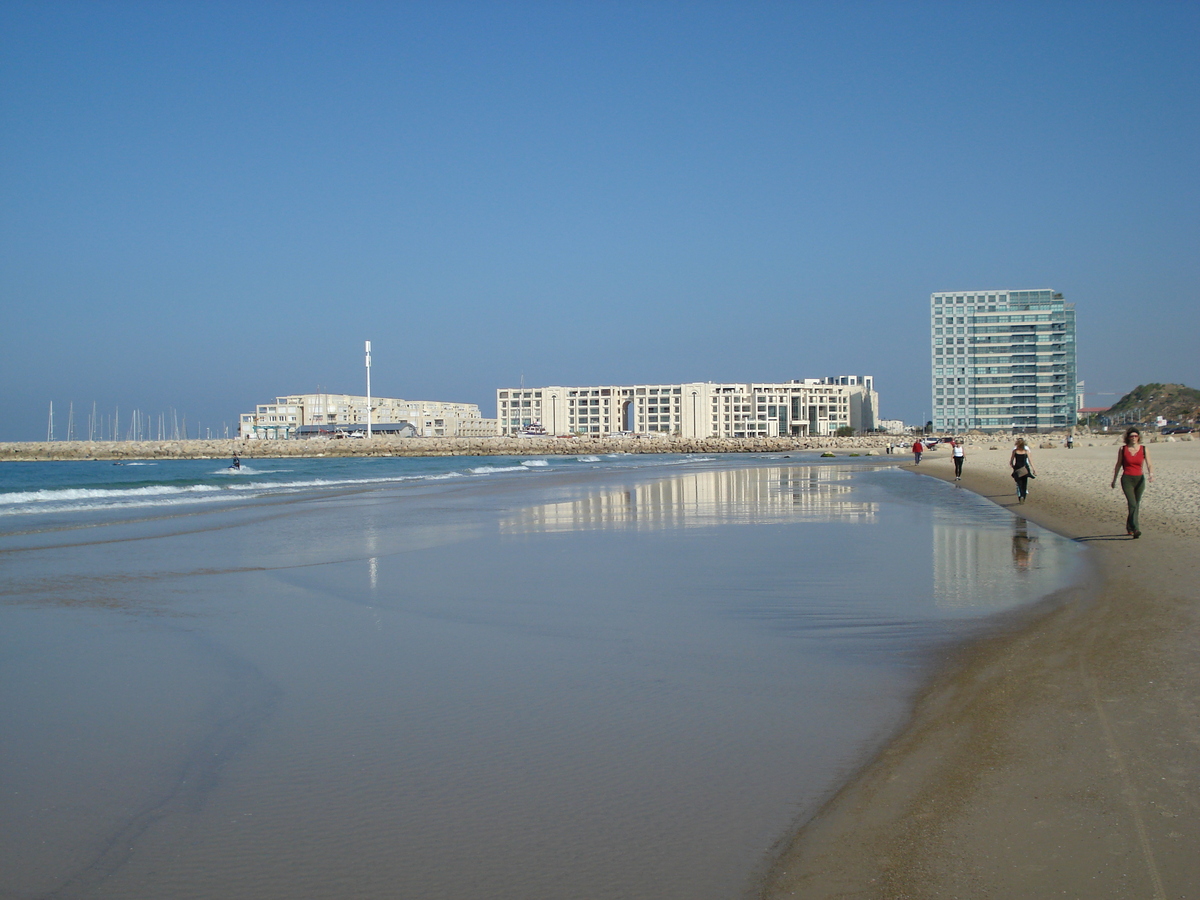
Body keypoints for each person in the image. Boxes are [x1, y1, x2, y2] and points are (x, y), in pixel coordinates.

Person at [1111, 427, 1153, 538]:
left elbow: (1149, 464)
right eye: (1131, 436)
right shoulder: (1123, 449)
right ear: (1128, 438)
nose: (1133, 438)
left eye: (1135, 436)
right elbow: (1118, 465)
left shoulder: (1144, 449)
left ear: (1138, 437)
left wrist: (1151, 475)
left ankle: (1129, 526)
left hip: (1139, 479)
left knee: (1136, 504)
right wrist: (1114, 479)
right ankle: (1136, 529)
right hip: (1127, 479)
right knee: (1132, 503)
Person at [1009, 437, 1035, 502]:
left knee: (1019, 484)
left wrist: (1013, 467)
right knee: (1024, 484)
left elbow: (1011, 462)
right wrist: (1034, 469)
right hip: (1025, 468)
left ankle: (1020, 496)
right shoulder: (1026, 452)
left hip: (1017, 468)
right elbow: (1030, 461)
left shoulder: (1015, 451)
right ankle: (1023, 496)